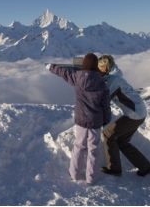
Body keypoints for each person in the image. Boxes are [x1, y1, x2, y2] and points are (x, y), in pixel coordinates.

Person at [46, 53, 111, 185]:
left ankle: (74, 174)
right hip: (95, 121)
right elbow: (106, 105)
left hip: (81, 119)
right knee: (93, 149)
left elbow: (63, 72)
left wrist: (50, 66)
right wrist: (106, 119)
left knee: (79, 146)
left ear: (84, 65)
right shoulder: (102, 83)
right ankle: (91, 178)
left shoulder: (77, 77)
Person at [98, 55, 150, 177]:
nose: (98, 70)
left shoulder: (113, 81)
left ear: (106, 68)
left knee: (107, 134)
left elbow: (103, 101)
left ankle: (114, 169)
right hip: (139, 112)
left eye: (100, 68)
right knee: (122, 141)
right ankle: (146, 168)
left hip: (134, 114)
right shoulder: (114, 76)